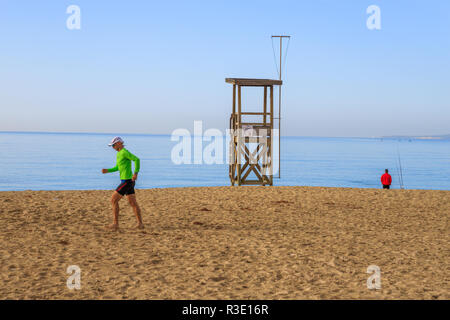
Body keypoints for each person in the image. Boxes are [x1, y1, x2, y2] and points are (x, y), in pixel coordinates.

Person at [102, 137, 143, 231]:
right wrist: (107, 170)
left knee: (113, 200)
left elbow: (137, 159)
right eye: (112, 145)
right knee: (133, 203)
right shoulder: (119, 154)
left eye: (113, 145)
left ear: (119, 143)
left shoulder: (124, 152)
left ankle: (115, 224)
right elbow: (118, 167)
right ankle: (140, 224)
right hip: (127, 182)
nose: (112, 147)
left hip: (127, 181)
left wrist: (136, 173)